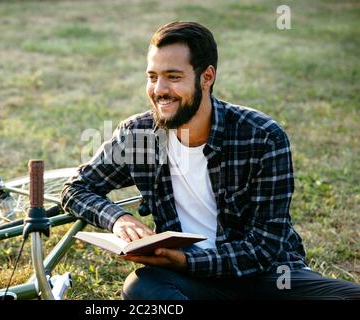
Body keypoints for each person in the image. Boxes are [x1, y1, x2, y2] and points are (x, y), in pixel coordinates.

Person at [60, 21, 360, 300]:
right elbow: (75, 189)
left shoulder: (262, 136)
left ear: (207, 77)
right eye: (153, 77)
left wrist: (185, 258)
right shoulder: (139, 135)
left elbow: (265, 245)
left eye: (173, 77)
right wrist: (118, 219)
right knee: (142, 288)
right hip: (188, 279)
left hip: (266, 275)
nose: (159, 90)